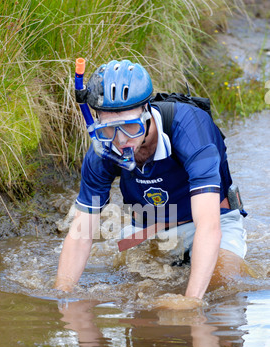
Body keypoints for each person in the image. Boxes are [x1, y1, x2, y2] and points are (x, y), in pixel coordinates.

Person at [55, 59, 247, 302]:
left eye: (130, 127)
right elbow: (81, 233)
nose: (121, 140)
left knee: (222, 292)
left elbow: (209, 227)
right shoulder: (101, 154)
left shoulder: (190, 129)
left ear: (147, 114)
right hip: (146, 228)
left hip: (210, 220)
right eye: (108, 129)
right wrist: (61, 297)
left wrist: (191, 302)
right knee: (138, 299)